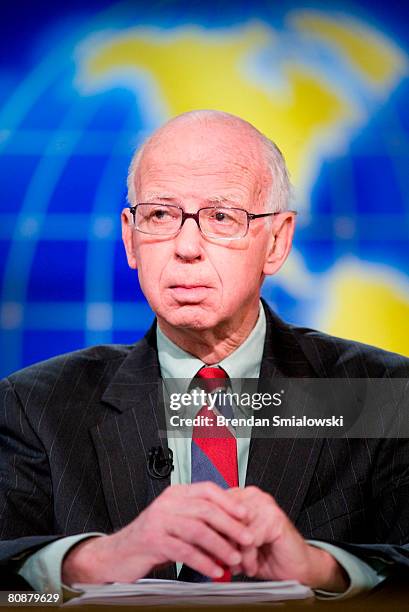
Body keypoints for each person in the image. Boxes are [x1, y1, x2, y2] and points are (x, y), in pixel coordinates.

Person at [0, 110, 408, 601]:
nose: (187, 246)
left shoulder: (381, 396)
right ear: (130, 239)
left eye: (220, 217)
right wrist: (93, 562)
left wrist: (323, 569)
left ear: (276, 241)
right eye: (161, 216)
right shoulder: (32, 407)